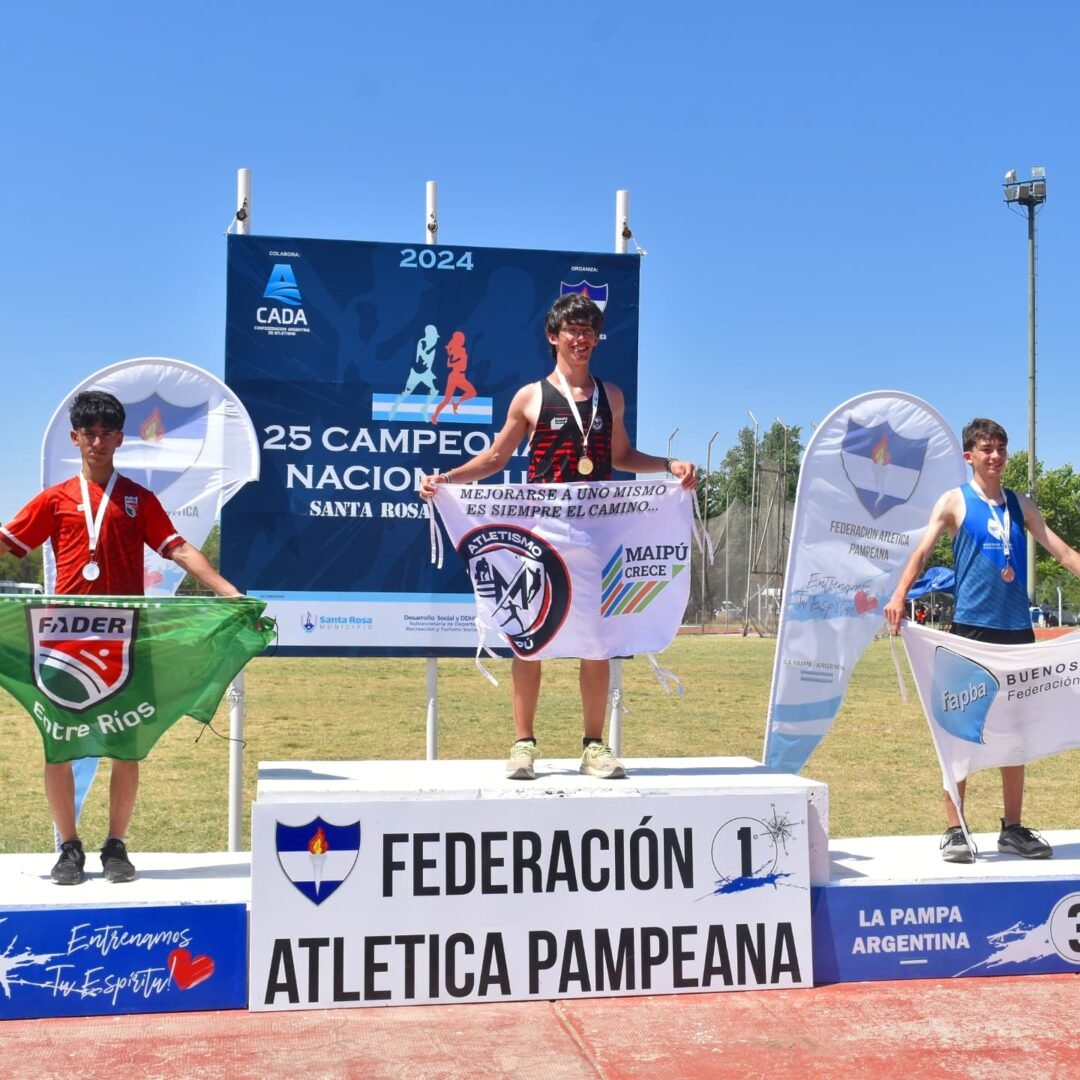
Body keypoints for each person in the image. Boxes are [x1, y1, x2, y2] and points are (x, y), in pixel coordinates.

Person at [420, 293, 696, 781]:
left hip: (596, 536)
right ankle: (523, 744)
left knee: (597, 641)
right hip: (541, 533)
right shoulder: (530, 396)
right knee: (530, 637)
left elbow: (622, 456)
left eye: (589, 329)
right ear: (554, 337)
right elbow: (495, 459)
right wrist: (446, 479)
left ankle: (594, 746)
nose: (581, 337)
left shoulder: (610, 395)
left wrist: (668, 466)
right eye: (572, 329)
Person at [0, 390, 242, 885]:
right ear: (75, 438)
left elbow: (177, 549)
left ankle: (116, 845)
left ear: (121, 438)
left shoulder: (138, 499)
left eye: (107, 432)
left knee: (126, 746)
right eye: (88, 432)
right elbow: (7, 542)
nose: (97, 440)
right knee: (61, 745)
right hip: (63, 644)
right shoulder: (56, 499)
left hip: (126, 642)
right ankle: (69, 847)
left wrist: (225, 590)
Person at [884, 417, 1080, 863]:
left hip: (1016, 631)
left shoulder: (1020, 503)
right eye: (986, 449)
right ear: (969, 456)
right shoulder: (955, 501)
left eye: (1001, 449)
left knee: (1017, 730)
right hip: (971, 631)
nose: (995, 457)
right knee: (962, 728)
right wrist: (898, 595)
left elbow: (1063, 551)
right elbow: (921, 552)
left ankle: (1012, 827)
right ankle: (955, 827)